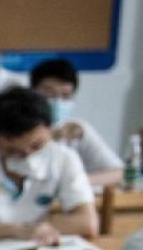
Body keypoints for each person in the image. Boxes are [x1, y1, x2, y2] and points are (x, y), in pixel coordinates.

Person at [0, 88, 99, 244]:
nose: (28, 156)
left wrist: (37, 229)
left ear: (50, 130)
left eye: (37, 146)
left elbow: (87, 222)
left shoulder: (64, 158)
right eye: (13, 151)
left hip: (38, 247)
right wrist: (19, 231)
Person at [29, 58, 122, 187]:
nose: (58, 102)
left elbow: (118, 172)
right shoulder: (16, 127)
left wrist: (76, 181)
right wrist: (52, 137)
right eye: (49, 94)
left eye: (66, 95)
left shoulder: (76, 129)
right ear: (31, 93)